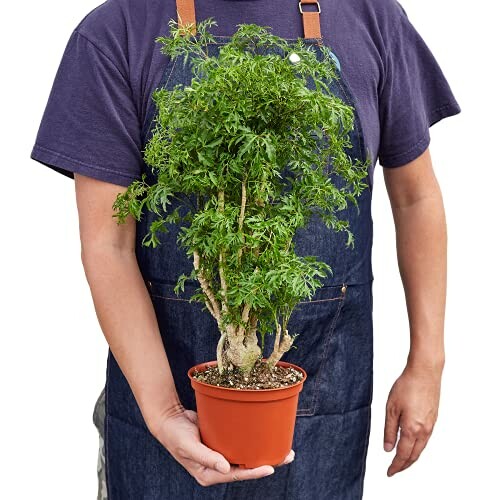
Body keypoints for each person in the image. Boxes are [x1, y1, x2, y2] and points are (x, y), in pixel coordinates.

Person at [30, 0, 461, 498]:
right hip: (164, 410)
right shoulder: (118, 31)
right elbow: (108, 243)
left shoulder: (371, 18)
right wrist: (164, 410)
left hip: (323, 406)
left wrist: (427, 364)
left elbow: (416, 198)